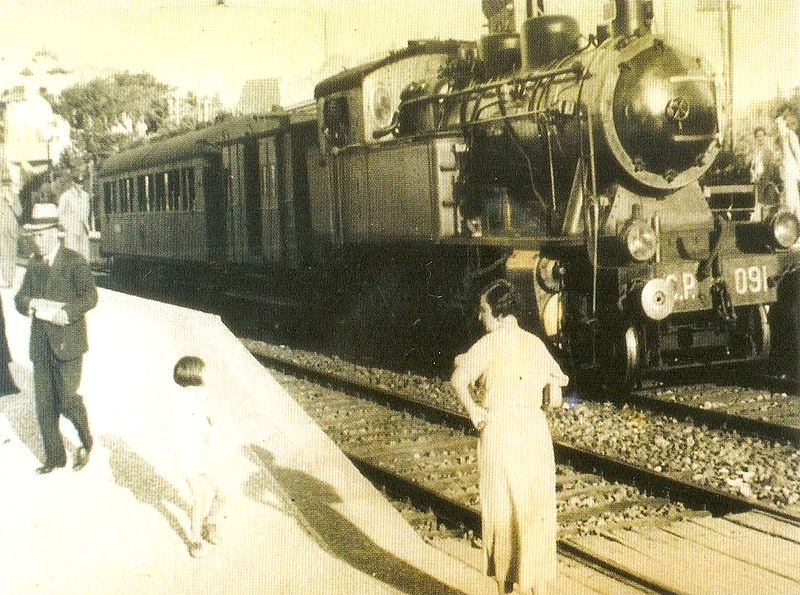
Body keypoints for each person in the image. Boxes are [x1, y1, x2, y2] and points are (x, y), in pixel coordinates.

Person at [451, 279, 568, 595]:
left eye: (484, 310)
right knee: (535, 512)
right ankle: (538, 589)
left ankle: (505, 590)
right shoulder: (534, 343)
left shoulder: (487, 345)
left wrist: (474, 410)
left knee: (502, 514)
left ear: (499, 314)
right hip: (533, 434)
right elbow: (556, 393)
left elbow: (458, 379)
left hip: (501, 434)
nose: (481, 317)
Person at [14, 202, 98, 474]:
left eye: (40, 235)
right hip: (40, 344)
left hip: (68, 344)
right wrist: (31, 303)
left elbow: (90, 297)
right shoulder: (34, 265)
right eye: (33, 236)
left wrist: (67, 312)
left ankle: (86, 441)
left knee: (67, 399)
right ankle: (55, 458)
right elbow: (19, 298)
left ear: (54, 233)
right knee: (44, 405)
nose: (35, 241)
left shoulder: (74, 262)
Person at [172, 355, 224, 558]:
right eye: (204, 371)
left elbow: (213, 419)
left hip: (205, 454)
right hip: (189, 456)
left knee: (225, 493)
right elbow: (182, 431)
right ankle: (195, 539)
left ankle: (210, 522)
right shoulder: (182, 401)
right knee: (199, 497)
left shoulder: (202, 395)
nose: (207, 374)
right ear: (194, 375)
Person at [57, 174, 91, 261]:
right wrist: (67, 226)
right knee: (72, 255)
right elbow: (60, 214)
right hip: (71, 230)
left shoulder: (85, 196)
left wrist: (87, 226)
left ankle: (84, 273)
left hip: (83, 229)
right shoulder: (66, 196)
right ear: (73, 183)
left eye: (82, 183)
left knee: (84, 257)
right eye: (78, 183)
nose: (81, 185)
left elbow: (87, 212)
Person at [776, 107, 800, 220]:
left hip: (792, 176)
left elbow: (798, 155)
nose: (778, 127)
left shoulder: (791, 136)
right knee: (789, 204)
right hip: (787, 176)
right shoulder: (782, 139)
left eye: (780, 123)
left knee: (793, 205)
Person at [748, 126, 776, 222]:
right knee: (757, 205)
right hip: (757, 182)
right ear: (755, 138)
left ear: (764, 137)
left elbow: (770, 169)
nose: (760, 138)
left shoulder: (768, 151)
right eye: (757, 136)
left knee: (766, 206)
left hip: (766, 181)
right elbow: (752, 167)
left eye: (761, 136)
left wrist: (761, 177)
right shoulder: (755, 152)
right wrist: (753, 175)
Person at [0, 165, 21, 287]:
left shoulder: (14, 196)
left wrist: (11, 202)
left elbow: (19, 212)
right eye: (4, 184)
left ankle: (11, 279)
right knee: (3, 254)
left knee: (12, 254)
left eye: (8, 184)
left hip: (12, 230)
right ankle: (6, 279)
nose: (6, 186)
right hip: (1, 230)